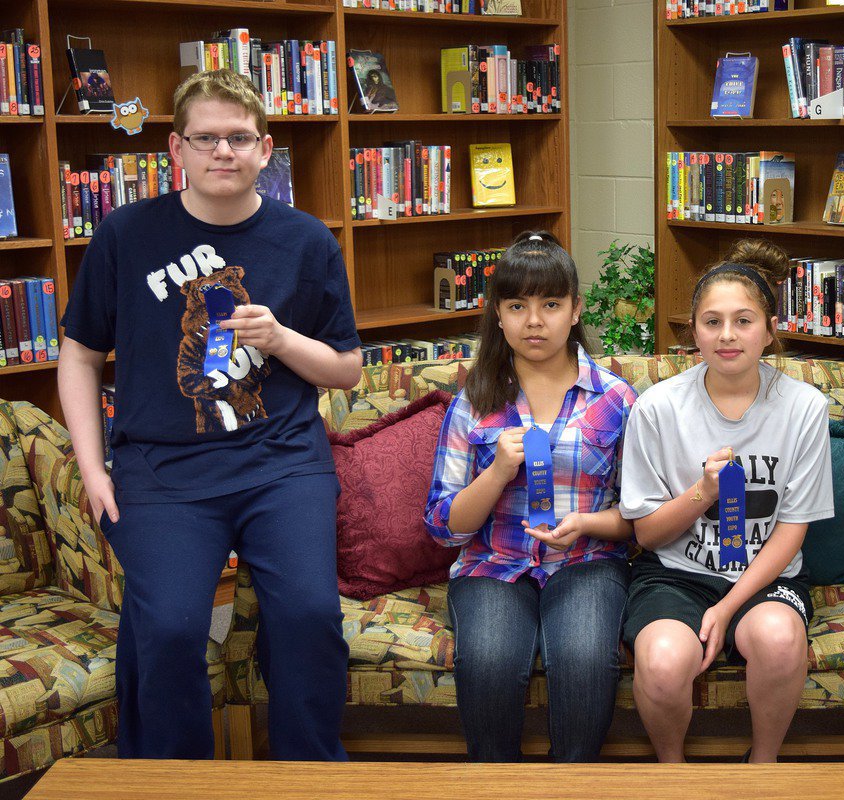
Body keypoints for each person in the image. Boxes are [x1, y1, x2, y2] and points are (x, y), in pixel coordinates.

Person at [57, 68, 361, 760]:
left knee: (311, 616)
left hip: (282, 463)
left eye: (239, 138)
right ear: (176, 149)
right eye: (206, 139)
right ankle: (176, 780)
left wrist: (280, 339)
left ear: (265, 149)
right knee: (167, 628)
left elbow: (346, 369)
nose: (223, 152)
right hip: (161, 468)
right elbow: (78, 357)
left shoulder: (307, 241)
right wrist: (92, 468)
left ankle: (309, 775)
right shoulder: (125, 235)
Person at [619, 238, 834, 763]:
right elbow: (646, 534)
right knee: (666, 660)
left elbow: (793, 529)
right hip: (674, 573)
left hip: (768, 576)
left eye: (744, 320)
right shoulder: (657, 407)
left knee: (780, 640)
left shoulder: (805, 407)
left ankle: (762, 768)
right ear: (693, 331)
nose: (728, 335)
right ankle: (674, 773)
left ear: (769, 329)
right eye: (712, 322)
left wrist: (727, 606)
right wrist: (704, 492)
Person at [424, 230, 636, 762]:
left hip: (586, 559)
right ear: (498, 313)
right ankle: (495, 787)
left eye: (551, 304)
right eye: (517, 305)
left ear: (576, 310)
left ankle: (573, 787)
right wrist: (497, 471)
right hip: (493, 563)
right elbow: (443, 526)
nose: (534, 321)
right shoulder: (474, 401)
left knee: (586, 656)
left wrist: (587, 524)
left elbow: (639, 515)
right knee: (490, 659)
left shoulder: (615, 398)